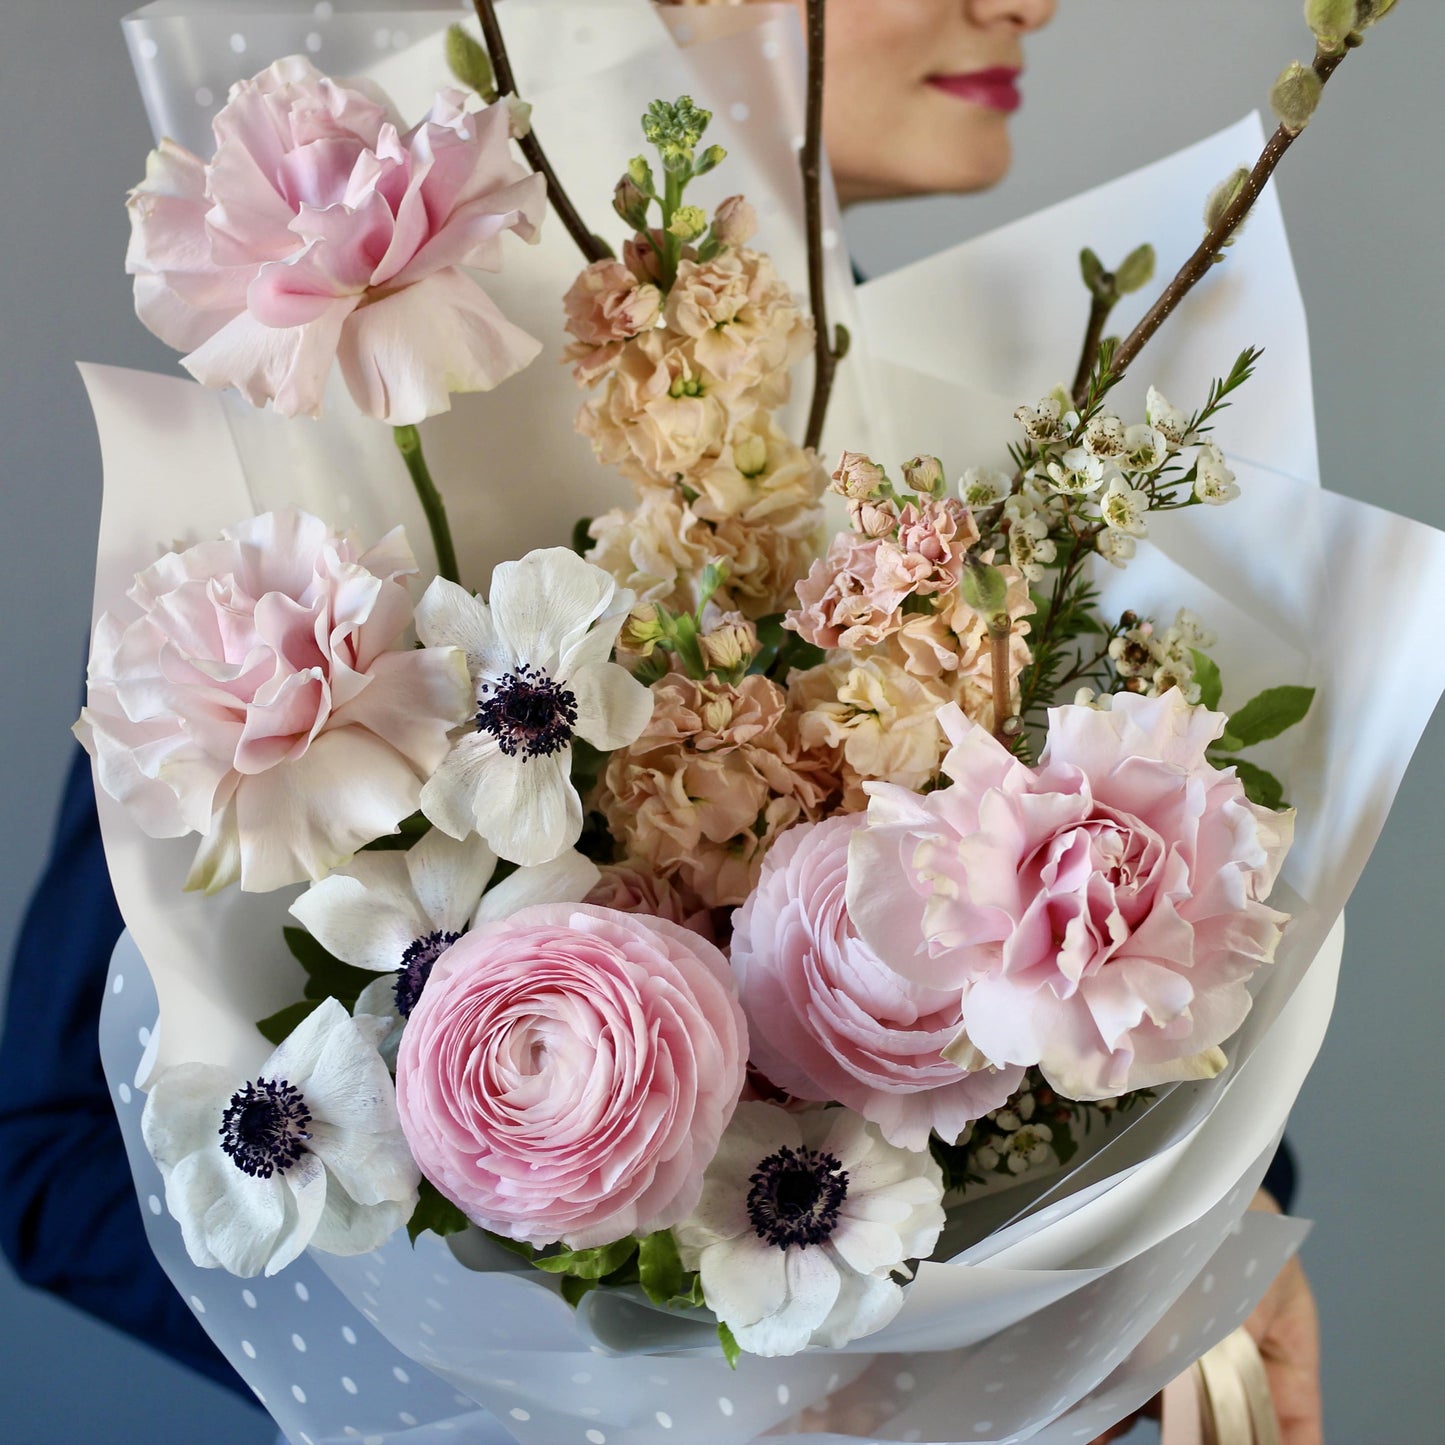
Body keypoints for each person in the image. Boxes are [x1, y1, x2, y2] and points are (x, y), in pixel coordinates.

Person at [0, 1, 1319, 1440]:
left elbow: (1083, 1062)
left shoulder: (986, 426)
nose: (1026, 4)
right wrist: (587, 1385)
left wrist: (1183, 1255)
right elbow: (55, 1151)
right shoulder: (331, 498)